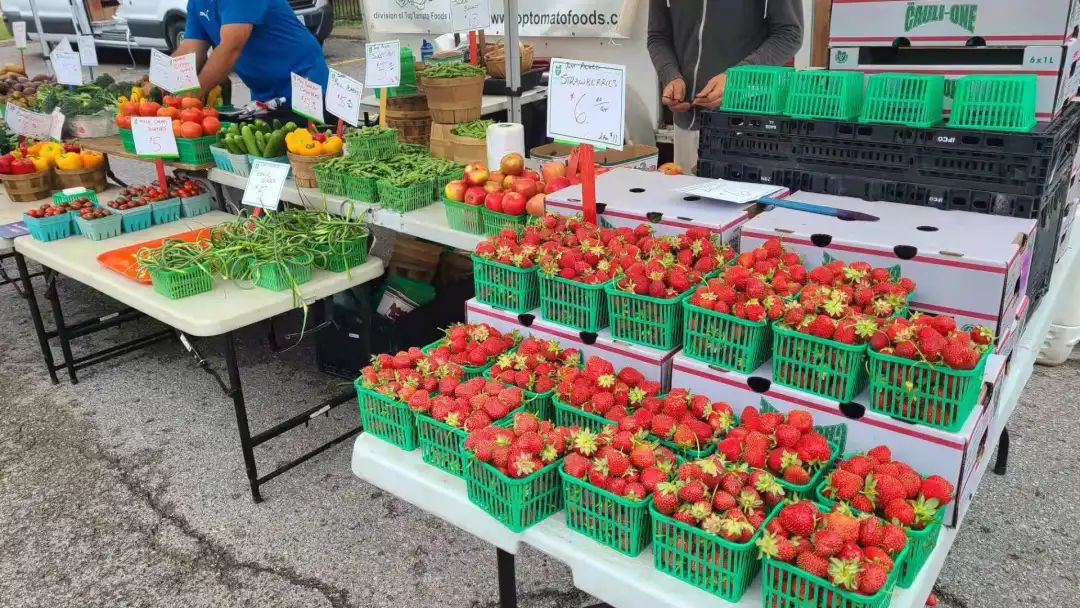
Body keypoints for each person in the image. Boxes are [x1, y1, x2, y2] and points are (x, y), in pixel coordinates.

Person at [648, 0, 804, 173]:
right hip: (686, 124)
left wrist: (737, 79)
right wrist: (670, 76)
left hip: (747, 127)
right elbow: (658, 36)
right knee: (684, 198)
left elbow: (790, 34)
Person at [174, 0, 329, 118]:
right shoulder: (196, 2)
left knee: (310, 153)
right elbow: (190, 48)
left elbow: (231, 46)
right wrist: (163, 82)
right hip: (264, 97)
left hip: (304, 83)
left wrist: (194, 93)